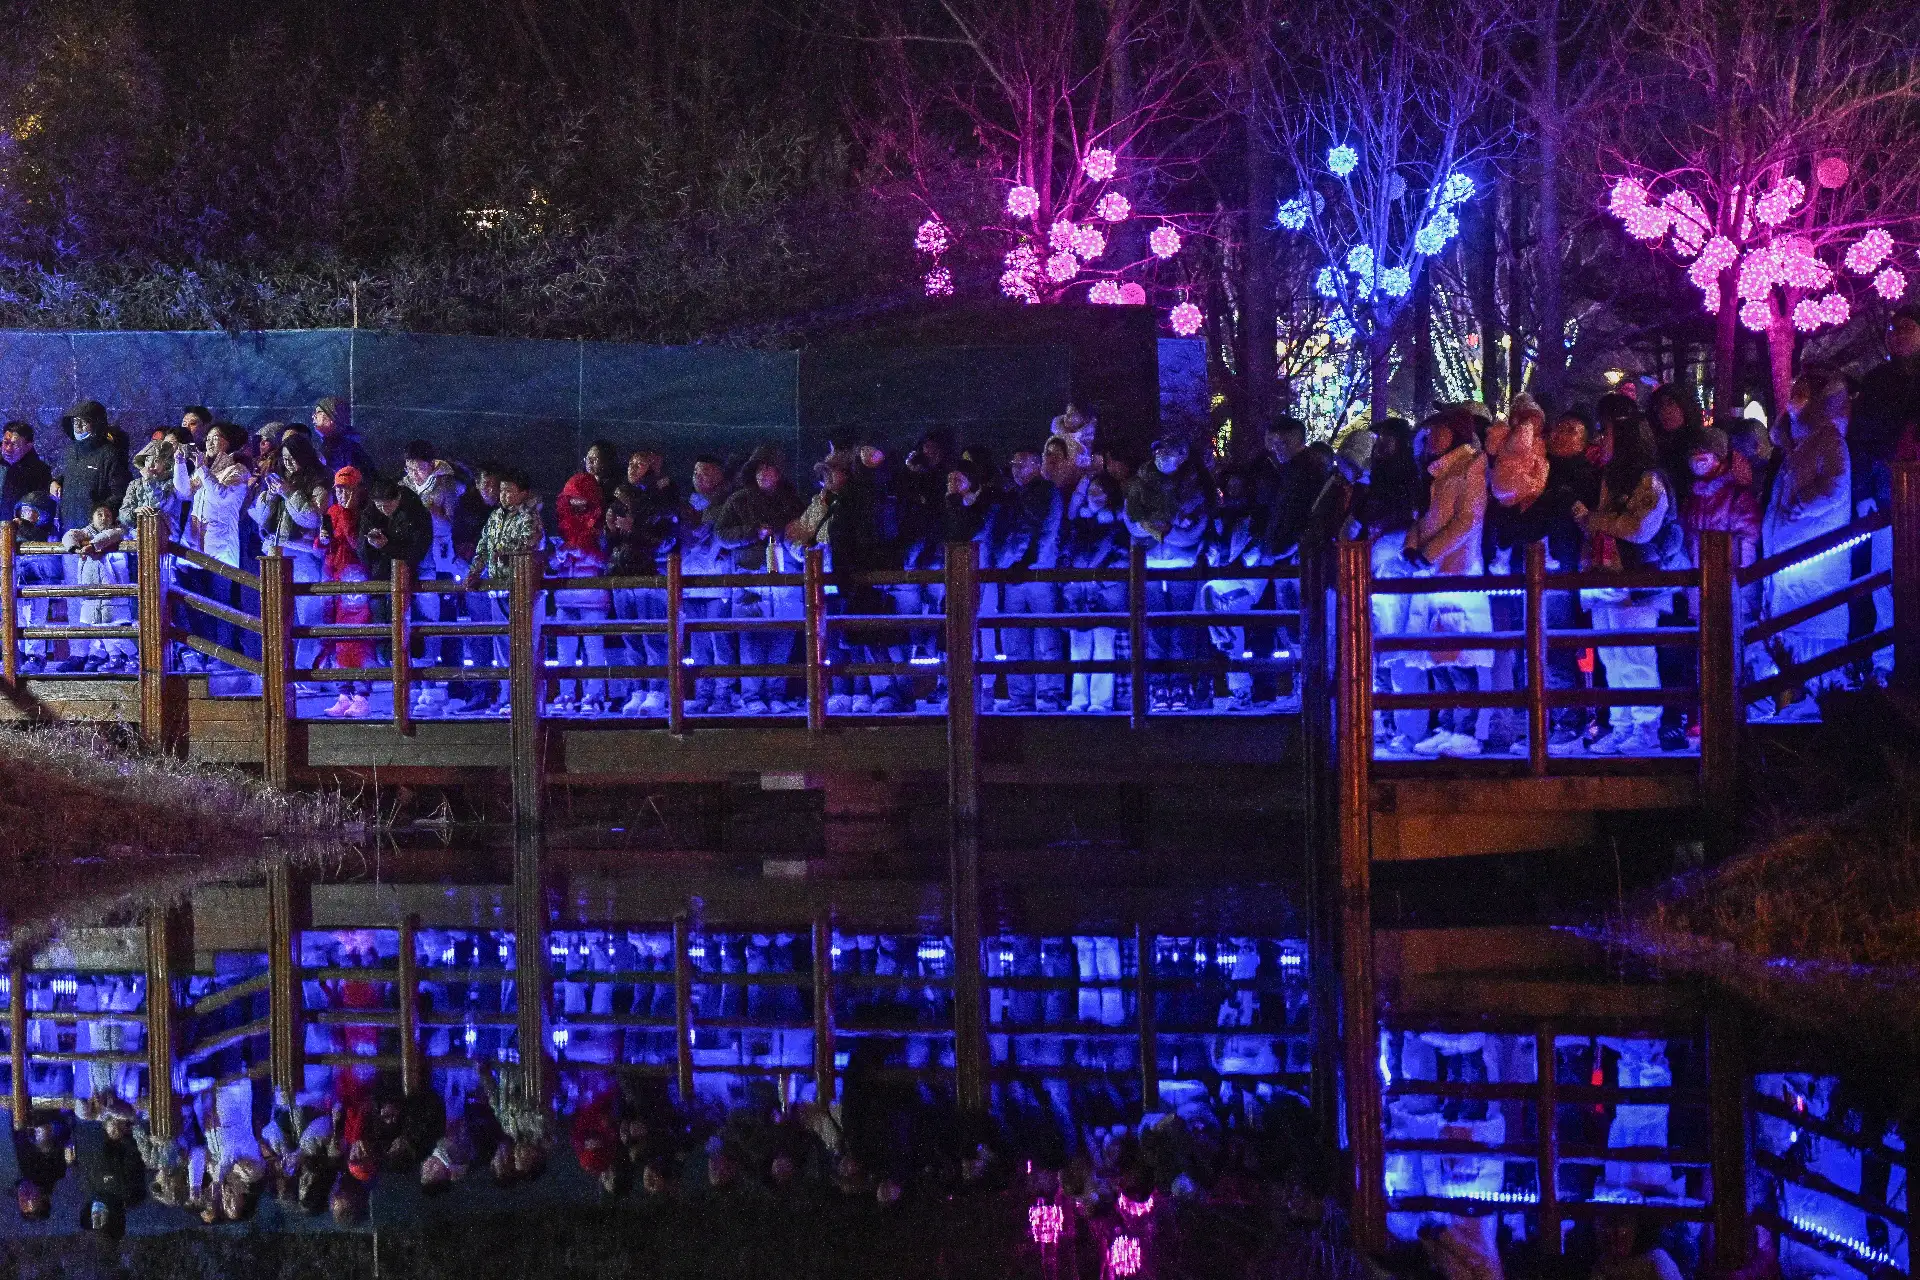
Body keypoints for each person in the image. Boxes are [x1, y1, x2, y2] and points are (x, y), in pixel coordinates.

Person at [1574, 413, 1687, 754]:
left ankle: (1647, 726)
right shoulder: (1609, 478)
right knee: (1611, 657)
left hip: (1635, 581)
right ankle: (1622, 724)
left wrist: (1596, 520)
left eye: (1605, 434)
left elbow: (1640, 528)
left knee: (1636, 654)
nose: (1600, 441)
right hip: (1604, 576)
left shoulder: (1649, 480)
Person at [1758, 374, 1853, 716]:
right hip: (1788, 552)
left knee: (1811, 627)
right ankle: (1790, 702)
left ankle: (1816, 703)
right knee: (1787, 628)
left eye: (1802, 392)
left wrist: (1804, 502)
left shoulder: (1829, 441)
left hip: (1812, 552)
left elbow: (1837, 485)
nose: (1793, 398)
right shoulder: (1794, 445)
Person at [1401, 409, 1491, 758]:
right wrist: (1412, 547)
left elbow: (1467, 519)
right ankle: (1448, 724)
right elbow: (1420, 515)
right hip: (1433, 570)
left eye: (1440, 429)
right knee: (1438, 653)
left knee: (1460, 653)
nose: (1433, 437)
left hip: (1457, 568)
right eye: (1431, 430)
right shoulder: (1433, 471)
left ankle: (1467, 730)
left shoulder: (1470, 467)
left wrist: (1429, 553)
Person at [1847, 306, 1920, 670]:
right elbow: (1858, 440)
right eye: (1896, 329)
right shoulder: (1876, 381)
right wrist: (1862, 494)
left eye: (1909, 328)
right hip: (1884, 489)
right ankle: (1885, 658)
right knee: (1884, 575)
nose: (1902, 334)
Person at [713, 449, 805, 714]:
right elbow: (722, 534)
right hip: (749, 576)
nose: (765, 474)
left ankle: (776, 693)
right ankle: (752, 696)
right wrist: (752, 533)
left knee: (782, 638)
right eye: (760, 468)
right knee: (751, 637)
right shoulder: (739, 500)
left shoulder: (792, 502)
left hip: (785, 578)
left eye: (771, 468)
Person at [1125, 435, 1211, 711]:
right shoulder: (1140, 484)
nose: (1164, 455)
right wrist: (1160, 530)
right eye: (1160, 450)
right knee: (1154, 628)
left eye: (1171, 451)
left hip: (1182, 564)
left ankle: (1182, 684)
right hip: (1149, 565)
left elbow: (1195, 531)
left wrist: (1166, 532)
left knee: (1182, 628)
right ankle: (1159, 685)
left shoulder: (1195, 486)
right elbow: (1132, 521)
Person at [985, 447, 1066, 712]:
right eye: (1014, 463)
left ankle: (1048, 695)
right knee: (1014, 638)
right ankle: (1021, 696)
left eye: (1022, 463)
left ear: (1035, 464)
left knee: (1046, 636)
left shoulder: (1047, 492)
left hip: (1037, 571)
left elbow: (1047, 529)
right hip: (1011, 572)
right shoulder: (1011, 496)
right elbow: (999, 531)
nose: (1016, 469)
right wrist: (1002, 560)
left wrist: (1028, 561)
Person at [461, 464, 544, 715]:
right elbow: (483, 545)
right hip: (498, 588)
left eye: (510, 491)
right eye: (503, 491)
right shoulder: (495, 516)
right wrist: (475, 570)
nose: (505, 496)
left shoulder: (529, 516)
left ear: (522, 493)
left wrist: (506, 550)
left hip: (521, 588)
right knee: (502, 645)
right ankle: (509, 697)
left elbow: (529, 542)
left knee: (524, 644)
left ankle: (525, 698)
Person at [171, 421, 254, 673]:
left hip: (220, 547)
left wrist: (203, 471)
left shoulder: (238, 470)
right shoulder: (203, 469)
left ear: (228, 443)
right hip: (195, 545)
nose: (208, 442)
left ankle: (225, 654)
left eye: (215, 438)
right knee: (196, 602)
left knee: (221, 603)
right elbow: (183, 492)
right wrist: (178, 464)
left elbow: (222, 499)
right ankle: (202, 652)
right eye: (207, 438)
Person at [251, 432, 331, 688]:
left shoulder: (318, 483)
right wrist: (270, 495)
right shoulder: (280, 481)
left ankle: (309, 674)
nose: (288, 464)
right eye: (284, 459)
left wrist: (289, 494)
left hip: (304, 556)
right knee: (278, 618)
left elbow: (312, 519)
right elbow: (261, 518)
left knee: (309, 617)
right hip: (275, 556)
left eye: (292, 459)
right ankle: (279, 672)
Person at [609, 450, 681, 716]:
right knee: (631, 637)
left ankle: (657, 692)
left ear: (654, 467)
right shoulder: (619, 496)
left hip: (651, 574)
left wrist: (634, 527)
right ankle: (637, 690)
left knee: (653, 636)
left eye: (640, 464)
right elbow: (612, 538)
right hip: (622, 572)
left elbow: (666, 539)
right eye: (630, 463)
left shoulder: (664, 495)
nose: (633, 468)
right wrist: (610, 528)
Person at [401, 440, 470, 714]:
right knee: (420, 622)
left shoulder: (446, 485)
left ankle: (452, 686)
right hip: (416, 559)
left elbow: (453, 522)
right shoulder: (405, 486)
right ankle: (423, 684)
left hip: (442, 558)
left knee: (445, 623)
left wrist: (427, 513)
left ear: (431, 464)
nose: (415, 473)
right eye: (410, 468)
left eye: (419, 467)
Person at [1060, 473, 1126, 713]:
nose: (1094, 495)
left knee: (1103, 646)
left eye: (1100, 491)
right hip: (1078, 592)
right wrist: (1070, 582)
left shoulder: (1118, 526)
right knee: (1078, 647)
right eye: (1091, 491)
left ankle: (1101, 700)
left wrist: (1099, 583)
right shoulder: (1078, 524)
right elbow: (1066, 554)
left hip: (1106, 593)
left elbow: (1121, 557)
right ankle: (1079, 699)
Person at [1201, 469, 1267, 710]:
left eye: (1239, 486)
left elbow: (1256, 551)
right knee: (1222, 619)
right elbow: (1213, 552)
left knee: (1225, 617)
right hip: (1225, 580)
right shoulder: (1220, 518)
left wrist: (1237, 563)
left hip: (1249, 581)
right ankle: (1239, 690)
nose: (1234, 491)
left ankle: (1245, 691)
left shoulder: (1258, 517)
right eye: (1231, 486)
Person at [550, 471, 614, 714]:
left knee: (593, 648)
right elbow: (551, 562)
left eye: (581, 498)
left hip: (592, 597)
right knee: (565, 650)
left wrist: (586, 553)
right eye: (572, 498)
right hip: (565, 596)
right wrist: (560, 557)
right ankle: (566, 694)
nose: (576, 503)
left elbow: (608, 559)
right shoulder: (560, 525)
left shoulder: (602, 527)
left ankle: (594, 695)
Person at [679, 456, 736, 714]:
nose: (698, 477)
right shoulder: (687, 506)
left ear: (718, 476)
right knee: (699, 643)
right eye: (695, 472)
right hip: (691, 582)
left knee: (719, 640)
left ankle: (723, 694)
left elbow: (723, 543)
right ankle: (703, 692)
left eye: (704, 473)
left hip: (716, 582)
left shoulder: (729, 503)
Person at [319, 467, 376, 718]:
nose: (342, 494)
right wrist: (322, 538)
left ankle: (362, 696)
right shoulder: (331, 512)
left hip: (355, 577)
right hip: (333, 575)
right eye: (339, 489)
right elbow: (321, 545)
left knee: (357, 636)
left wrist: (347, 515)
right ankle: (343, 693)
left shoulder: (366, 514)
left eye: (348, 489)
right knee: (335, 636)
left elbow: (358, 545)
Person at [60, 503, 135, 673]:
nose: (103, 518)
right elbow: (70, 535)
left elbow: (109, 535)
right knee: (99, 627)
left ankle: (133, 655)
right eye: (99, 514)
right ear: (92, 518)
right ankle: (114, 657)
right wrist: (74, 548)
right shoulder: (85, 533)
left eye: (107, 515)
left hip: (112, 591)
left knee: (114, 627)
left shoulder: (119, 532)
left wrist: (92, 546)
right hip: (92, 590)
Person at [11, 491, 61, 674]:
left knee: (35, 617)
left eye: (31, 512)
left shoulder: (46, 531)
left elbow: (36, 536)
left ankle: (36, 656)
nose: (26, 515)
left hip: (37, 578)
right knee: (20, 617)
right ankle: (21, 654)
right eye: (23, 511)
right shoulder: (12, 531)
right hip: (18, 577)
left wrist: (21, 526)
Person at [1591, 1209, 1684, 1280]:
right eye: (1608, 1223)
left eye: (1623, 1222)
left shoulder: (1657, 1259)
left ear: (1638, 1227)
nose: (1616, 1232)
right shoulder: (1604, 1263)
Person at [310, 396, 372, 479]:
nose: (313, 416)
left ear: (332, 416)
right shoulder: (328, 445)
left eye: (318, 412)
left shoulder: (347, 449)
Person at [0, 422, 53, 517]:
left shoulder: (40, 472)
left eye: (14, 444)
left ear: (28, 446)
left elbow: (43, 510)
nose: (8, 449)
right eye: (6, 442)